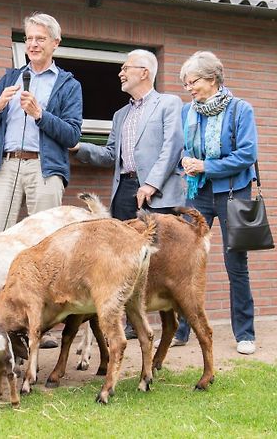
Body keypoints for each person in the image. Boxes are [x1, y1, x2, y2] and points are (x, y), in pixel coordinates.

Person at [0, 12, 83, 348]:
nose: (33, 44)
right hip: (7, 167)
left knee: (48, 252)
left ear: (55, 43)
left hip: (44, 169)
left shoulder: (68, 84)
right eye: (29, 38)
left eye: (40, 38)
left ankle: (42, 327)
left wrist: (40, 114)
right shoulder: (10, 77)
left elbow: (71, 135)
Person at [70, 49, 185, 340]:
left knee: (165, 260)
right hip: (124, 190)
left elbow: (171, 148)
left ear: (144, 72)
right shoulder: (120, 114)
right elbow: (111, 155)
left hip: (156, 193)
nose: (120, 73)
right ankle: (135, 323)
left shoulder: (169, 104)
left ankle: (180, 326)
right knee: (128, 259)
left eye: (125, 68)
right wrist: (78, 148)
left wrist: (151, 185)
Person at [172, 50, 258, 355]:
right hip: (198, 191)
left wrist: (207, 166)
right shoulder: (188, 111)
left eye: (192, 81)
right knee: (184, 259)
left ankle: (245, 333)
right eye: (186, 84)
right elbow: (184, 146)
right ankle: (180, 330)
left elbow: (247, 154)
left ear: (212, 78)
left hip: (234, 191)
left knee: (236, 264)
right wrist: (187, 161)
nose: (189, 88)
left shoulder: (240, 109)